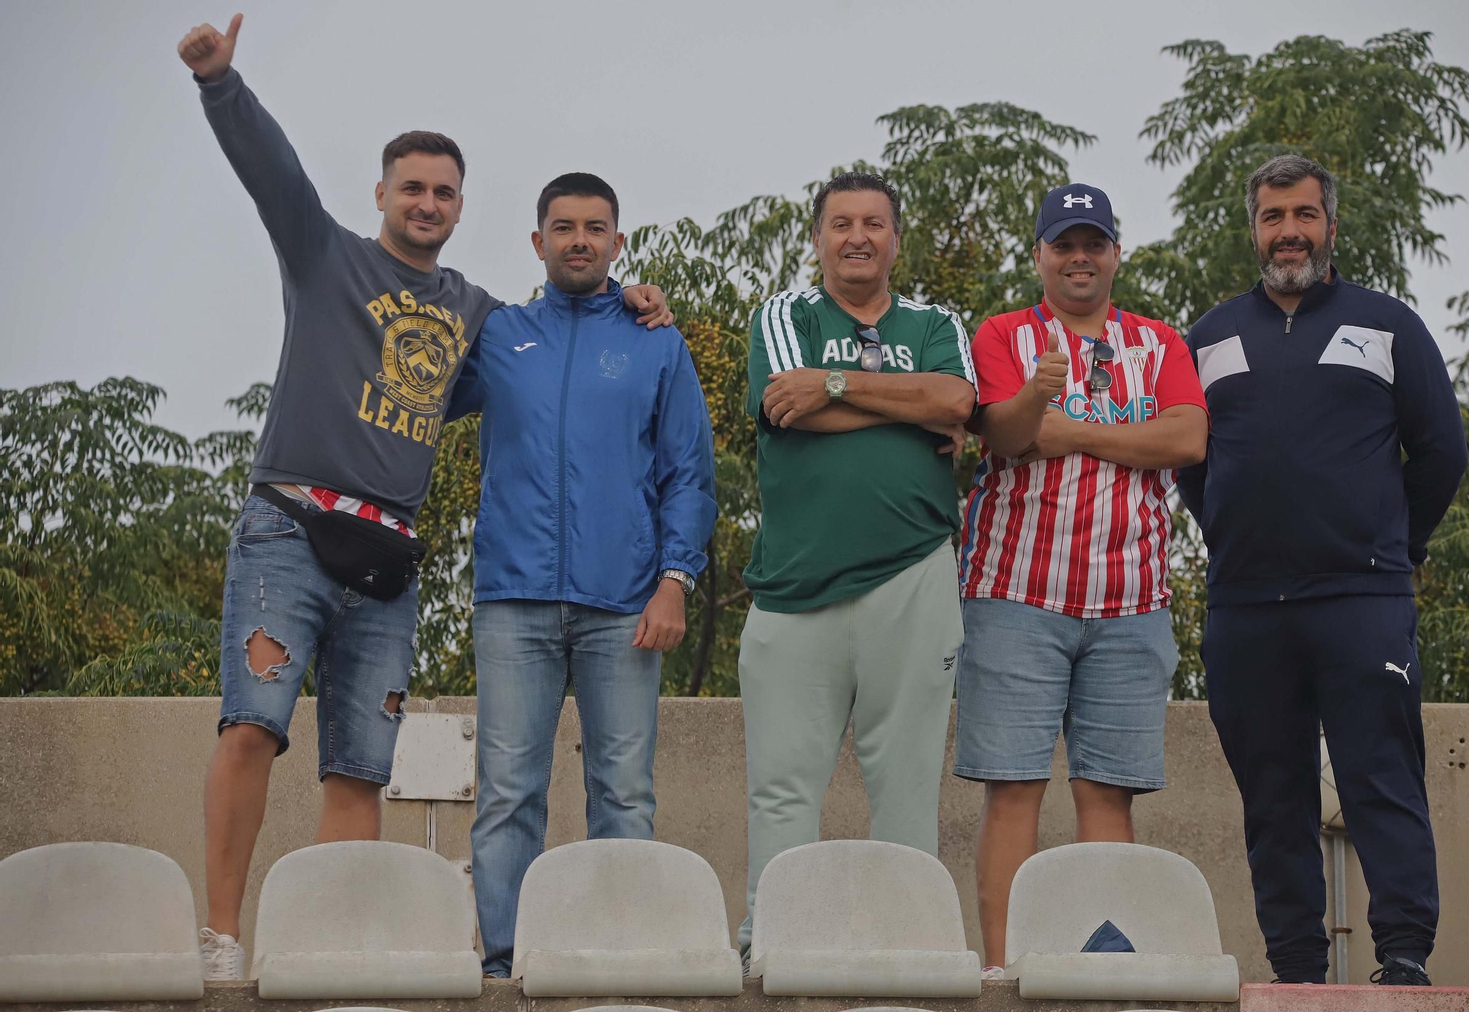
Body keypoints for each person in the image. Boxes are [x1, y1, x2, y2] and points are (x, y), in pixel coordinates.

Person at [176, 15, 670, 980]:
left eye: (446, 191)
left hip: (387, 555)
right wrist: (220, 85)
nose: (429, 202)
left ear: (461, 206)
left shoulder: (474, 311)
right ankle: (224, 936)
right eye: (413, 187)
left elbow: (549, 349)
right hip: (289, 521)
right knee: (252, 727)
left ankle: (326, 942)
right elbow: (272, 173)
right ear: (383, 194)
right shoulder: (327, 257)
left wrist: (631, 300)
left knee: (361, 765)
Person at [1177, 154, 1468, 987]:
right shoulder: (1210, 334)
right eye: (1273, 217)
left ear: (1331, 225)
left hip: (1363, 601)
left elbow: (1442, 451)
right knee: (1274, 802)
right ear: (1254, 228)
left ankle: (1405, 959)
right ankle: (1299, 972)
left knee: (1382, 781)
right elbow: (1192, 464)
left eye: (1304, 215)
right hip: (1245, 609)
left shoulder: (1388, 324)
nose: (1289, 232)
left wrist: (1392, 549)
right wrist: (1237, 533)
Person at [449, 173, 716, 978]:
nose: (578, 239)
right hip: (512, 598)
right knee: (505, 796)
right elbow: (416, 392)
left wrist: (674, 579)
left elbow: (690, 477)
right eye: (562, 227)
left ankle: (619, 960)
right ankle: (503, 964)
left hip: (624, 606)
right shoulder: (498, 335)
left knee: (626, 794)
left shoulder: (655, 341)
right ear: (537, 242)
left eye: (595, 228)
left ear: (617, 243)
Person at [956, 182, 1209, 975]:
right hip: (1013, 596)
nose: (1078, 257)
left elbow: (1188, 438)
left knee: (1107, 797)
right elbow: (1008, 432)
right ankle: (1004, 972)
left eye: (1092, 242)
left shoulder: (1161, 341)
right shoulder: (1001, 334)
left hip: (1131, 603)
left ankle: (1099, 971)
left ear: (1114, 255)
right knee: (1014, 790)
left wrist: (1073, 429)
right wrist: (1112, 432)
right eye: (1063, 243)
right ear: (1038, 255)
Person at [737, 171, 977, 958]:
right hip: (793, 588)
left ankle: (909, 952)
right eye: (841, 223)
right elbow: (782, 401)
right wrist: (905, 402)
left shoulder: (935, 320)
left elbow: (955, 402)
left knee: (906, 788)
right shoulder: (784, 313)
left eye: (874, 223)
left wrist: (835, 383)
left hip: (913, 572)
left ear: (895, 238)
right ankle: (773, 945)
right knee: (782, 790)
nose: (858, 237)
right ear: (818, 238)